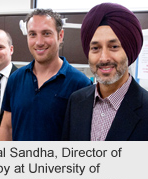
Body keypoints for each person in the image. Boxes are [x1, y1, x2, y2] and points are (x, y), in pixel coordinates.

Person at [0, 9, 91, 141]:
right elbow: (7, 127)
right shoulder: (15, 79)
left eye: (46, 33)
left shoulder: (80, 84)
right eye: (32, 34)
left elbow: (81, 138)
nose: (39, 42)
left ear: (60, 35)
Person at [62, 3, 148, 141]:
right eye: (95, 48)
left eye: (114, 46)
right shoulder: (76, 101)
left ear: (129, 49)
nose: (104, 58)